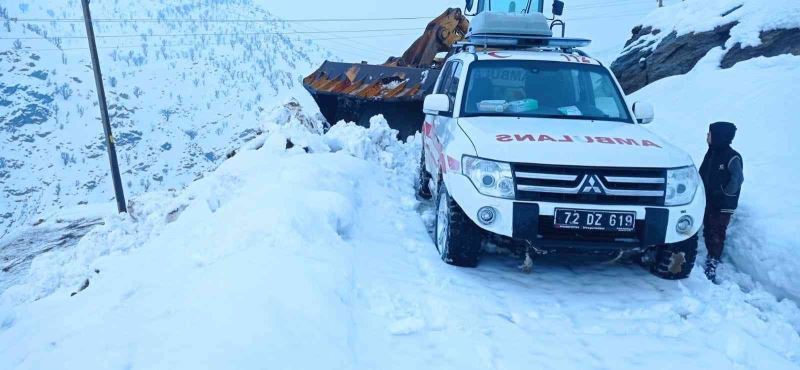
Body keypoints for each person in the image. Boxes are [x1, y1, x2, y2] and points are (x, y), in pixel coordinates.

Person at [699, 122, 744, 282]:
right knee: (708, 229)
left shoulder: (732, 156)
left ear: (719, 136)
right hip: (709, 200)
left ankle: (713, 260)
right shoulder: (711, 153)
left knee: (717, 232)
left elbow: (737, 179)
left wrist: (724, 193)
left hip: (723, 204)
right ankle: (711, 254)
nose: (707, 136)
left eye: (709, 134)